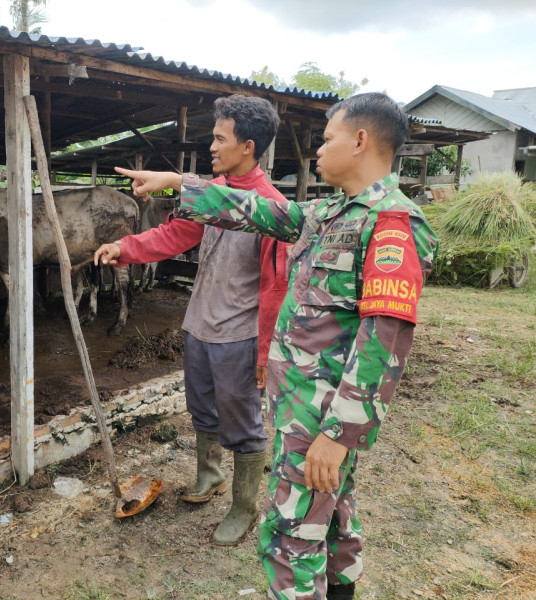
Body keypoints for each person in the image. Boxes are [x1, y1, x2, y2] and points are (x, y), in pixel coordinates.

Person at [113, 92, 439, 600]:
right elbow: (250, 210)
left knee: (291, 536)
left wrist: (337, 435)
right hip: (300, 406)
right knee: (333, 515)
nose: (317, 151)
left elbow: (384, 343)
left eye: (327, 139)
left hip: (321, 419)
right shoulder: (329, 213)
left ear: (359, 141)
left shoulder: (390, 224)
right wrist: (181, 183)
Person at [94, 95, 289, 546]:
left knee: (241, 420)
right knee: (201, 406)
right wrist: (127, 247)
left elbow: (275, 288)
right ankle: (209, 475)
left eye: (221, 138)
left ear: (248, 145)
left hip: (238, 334)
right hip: (200, 323)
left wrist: (265, 352)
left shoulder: (271, 208)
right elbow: (177, 233)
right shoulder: (212, 196)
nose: (213, 146)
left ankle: (244, 507)